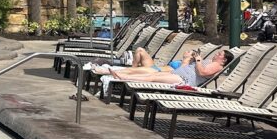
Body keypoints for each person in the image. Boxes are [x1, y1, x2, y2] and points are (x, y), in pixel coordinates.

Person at [95, 48, 233, 87]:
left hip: (183, 79)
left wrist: (197, 60)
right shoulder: (209, 60)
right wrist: (187, 59)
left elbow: (203, 72)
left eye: (219, 54)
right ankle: (122, 76)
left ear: (224, 59)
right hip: (178, 73)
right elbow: (187, 66)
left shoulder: (217, 66)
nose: (217, 54)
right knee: (151, 76)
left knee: (152, 77)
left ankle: (122, 77)